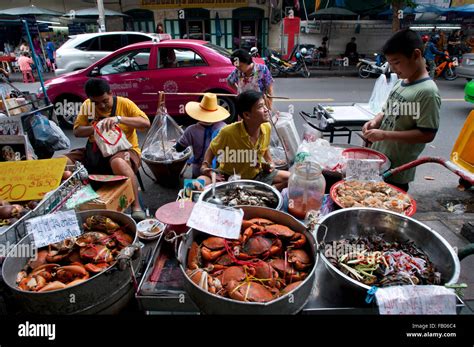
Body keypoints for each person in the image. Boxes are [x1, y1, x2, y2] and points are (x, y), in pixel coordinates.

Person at [362, 29, 441, 192]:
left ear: (415, 55)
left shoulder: (427, 92)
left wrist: (384, 135)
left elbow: (427, 134)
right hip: (380, 162)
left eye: (396, 62)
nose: (393, 69)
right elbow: (386, 111)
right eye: (390, 63)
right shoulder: (401, 83)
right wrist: (375, 121)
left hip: (397, 172)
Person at [63, 79, 151, 222]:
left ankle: (136, 206)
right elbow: (77, 131)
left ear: (111, 93)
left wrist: (119, 119)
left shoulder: (124, 103)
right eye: (96, 102)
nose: (101, 106)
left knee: (118, 163)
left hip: (124, 150)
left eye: (105, 101)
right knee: (61, 162)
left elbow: (145, 123)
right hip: (95, 150)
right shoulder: (88, 106)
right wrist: (96, 128)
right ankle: (84, 203)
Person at [200, 90, 290, 191]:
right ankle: (260, 191)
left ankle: (263, 191)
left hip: (257, 176)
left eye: (265, 105)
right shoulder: (228, 132)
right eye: (260, 107)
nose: (266, 109)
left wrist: (270, 164)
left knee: (292, 179)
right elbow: (212, 149)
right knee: (199, 182)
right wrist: (205, 168)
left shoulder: (266, 127)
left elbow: (265, 151)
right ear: (247, 115)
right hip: (229, 177)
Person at [175, 93, 229, 178]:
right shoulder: (224, 128)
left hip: (198, 170)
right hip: (218, 171)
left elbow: (179, 148)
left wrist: (177, 142)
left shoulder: (191, 130)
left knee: (196, 188)